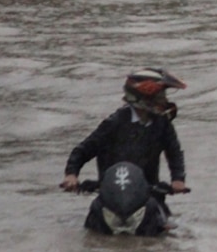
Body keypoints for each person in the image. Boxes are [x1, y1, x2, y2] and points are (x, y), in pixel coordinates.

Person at [61, 69, 188, 207]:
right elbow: (83, 150)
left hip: (149, 195)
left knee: (165, 224)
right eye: (159, 96)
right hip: (111, 197)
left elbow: (174, 152)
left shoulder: (162, 124)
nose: (164, 101)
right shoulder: (114, 123)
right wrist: (71, 175)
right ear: (143, 98)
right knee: (94, 219)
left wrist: (178, 179)